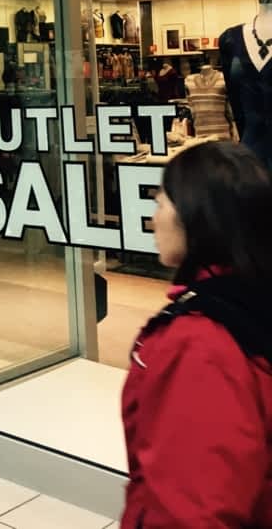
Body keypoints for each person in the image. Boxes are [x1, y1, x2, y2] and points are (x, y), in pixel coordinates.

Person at [121, 140, 272, 527]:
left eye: (161, 203)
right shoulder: (250, 303)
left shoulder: (199, 344)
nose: (153, 219)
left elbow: (191, 510)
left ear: (196, 216)